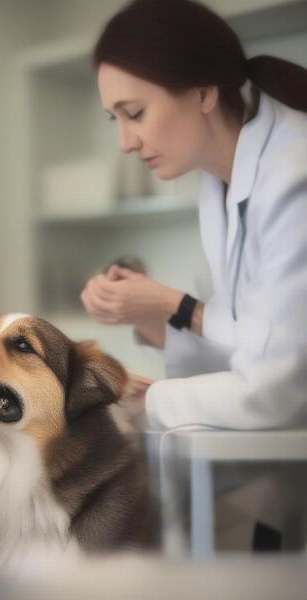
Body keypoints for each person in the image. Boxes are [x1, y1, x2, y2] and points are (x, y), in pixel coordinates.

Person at [81, 0, 307, 552]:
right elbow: (255, 342)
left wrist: (151, 397)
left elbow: (274, 390)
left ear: (203, 93)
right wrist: (160, 312)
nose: (125, 142)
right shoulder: (220, 184)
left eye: (135, 113)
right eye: (116, 119)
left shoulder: (293, 178)